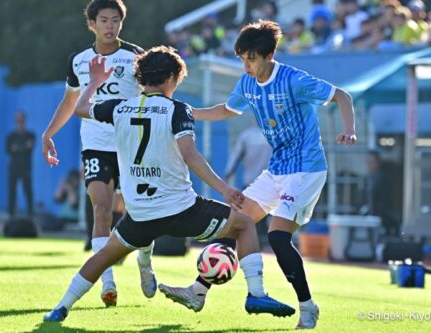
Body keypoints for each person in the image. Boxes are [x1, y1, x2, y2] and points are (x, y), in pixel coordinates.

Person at [43, 46, 295, 322]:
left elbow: (79, 108)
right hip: (181, 210)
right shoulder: (178, 110)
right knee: (244, 223)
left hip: (140, 214)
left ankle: (60, 308)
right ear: (171, 79)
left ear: (141, 79)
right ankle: (256, 294)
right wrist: (224, 189)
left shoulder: (119, 108)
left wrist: (94, 81)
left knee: (101, 258)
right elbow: (190, 155)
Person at [158, 20, 357, 330]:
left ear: (269, 56)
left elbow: (342, 96)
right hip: (276, 168)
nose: (246, 64)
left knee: (278, 237)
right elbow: (226, 110)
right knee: (236, 225)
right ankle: (198, 292)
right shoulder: (248, 83)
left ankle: (308, 308)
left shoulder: (294, 80)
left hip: (305, 169)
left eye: (251, 58)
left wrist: (349, 130)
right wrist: (190, 112)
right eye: (242, 58)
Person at [41, 0, 144, 307]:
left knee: (138, 211)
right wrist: (48, 134)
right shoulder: (79, 60)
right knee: (102, 209)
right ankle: (108, 282)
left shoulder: (136, 57)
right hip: (96, 144)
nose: (110, 26)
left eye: (115, 20)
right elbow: (69, 102)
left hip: (132, 144)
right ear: (92, 24)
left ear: (121, 24)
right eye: (104, 20)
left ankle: (145, 262)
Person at [359, 150, 398, 236]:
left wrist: (376, 209)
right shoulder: (366, 179)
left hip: (381, 216)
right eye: (368, 162)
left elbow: (386, 200)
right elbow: (363, 197)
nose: (370, 165)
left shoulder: (384, 179)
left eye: (372, 162)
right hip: (367, 217)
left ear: (378, 162)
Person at [6, 111, 35, 218]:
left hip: (26, 167)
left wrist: (17, 148)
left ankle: (30, 214)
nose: (19, 122)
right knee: (12, 190)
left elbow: (30, 148)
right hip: (14, 167)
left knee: (27, 190)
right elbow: (9, 150)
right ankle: (11, 213)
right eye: (17, 120)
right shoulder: (11, 136)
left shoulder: (30, 135)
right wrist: (23, 147)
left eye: (21, 119)